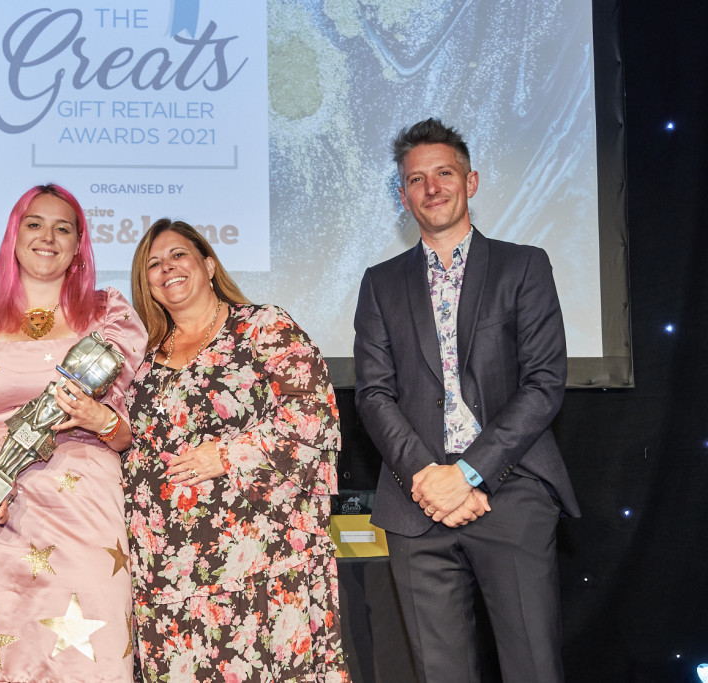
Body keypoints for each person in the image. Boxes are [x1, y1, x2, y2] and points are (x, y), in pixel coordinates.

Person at [353, 118, 581, 683]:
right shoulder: (380, 283)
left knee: (534, 668)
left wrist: (471, 474)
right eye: (415, 179)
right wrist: (432, 478)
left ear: (471, 181)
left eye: (444, 173)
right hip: (418, 502)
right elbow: (374, 393)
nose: (431, 187)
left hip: (514, 492)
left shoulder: (523, 265)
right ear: (402, 197)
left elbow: (544, 382)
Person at [0, 184, 147, 682]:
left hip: (83, 512)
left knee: (88, 655)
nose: (48, 236)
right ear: (13, 235)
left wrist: (96, 418)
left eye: (64, 228)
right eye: (34, 224)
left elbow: (126, 433)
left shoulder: (110, 316)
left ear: (80, 244)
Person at [124, 219, 349, 682]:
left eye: (178, 255)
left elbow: (313, 419)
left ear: (208, 264)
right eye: (153, 264)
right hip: (167, 578)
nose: (167, 268)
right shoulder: (138, 361)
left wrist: (225, 455)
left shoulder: (264, 327)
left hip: (264, 564)